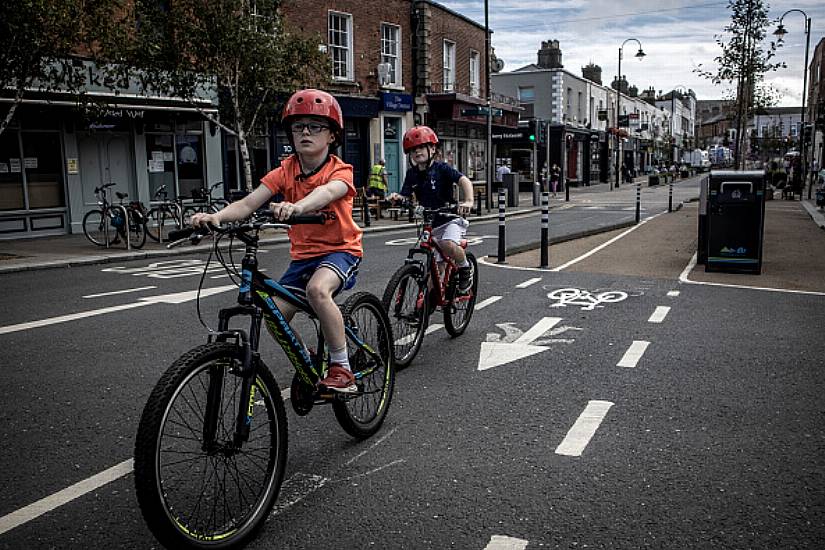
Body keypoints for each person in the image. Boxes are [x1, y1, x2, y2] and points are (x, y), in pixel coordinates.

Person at [191, 89, 362, 393]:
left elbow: (328, 192)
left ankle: (342, 368)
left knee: (317, 291)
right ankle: (307, 361)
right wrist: (217, 217)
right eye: (298, 127)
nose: (305, 132)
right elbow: (248, 203)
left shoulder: (340, 170)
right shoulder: (286, 170)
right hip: (303, 258)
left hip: (341, 251)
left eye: (315, 126)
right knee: (274, 315)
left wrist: (299, 207)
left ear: (332, 135)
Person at [388, 125, 475, 293]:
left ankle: (465, 268)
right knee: (434, 271)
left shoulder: (442, 169)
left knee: (447, 244)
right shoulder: (412, 174)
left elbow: (464, 180)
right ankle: (425, 308)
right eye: (413, 149)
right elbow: (405, 194)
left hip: (450, 219)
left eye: (421, 147)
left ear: (432, 148)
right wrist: (397, 199)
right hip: (430, 223)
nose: (417, 151)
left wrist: (468, 201)